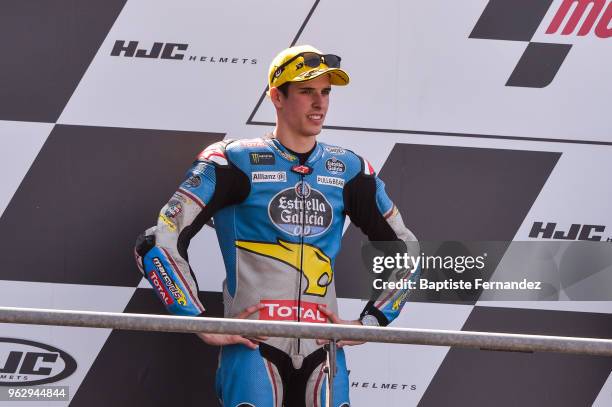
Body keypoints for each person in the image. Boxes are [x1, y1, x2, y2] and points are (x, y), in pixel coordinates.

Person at [134, 44, 419, 407]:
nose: (320, 103)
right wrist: (199, 320)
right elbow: (157, 241)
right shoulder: (230, 161)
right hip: (254, 345)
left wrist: (373, 320)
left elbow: (406, 249)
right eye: (306, 91)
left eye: (326, 92)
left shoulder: (348, 169)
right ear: (276, 97)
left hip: (324, 348)